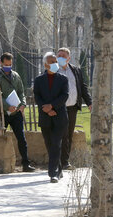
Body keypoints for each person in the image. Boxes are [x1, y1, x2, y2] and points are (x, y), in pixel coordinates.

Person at [0, 52, 35, 172]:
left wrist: (22, 104)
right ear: (1, 63)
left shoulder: (16, 75)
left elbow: (21, 92)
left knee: (21, 138)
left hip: (16, 113)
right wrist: (7, 106)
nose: (8, 67)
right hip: (3, 113)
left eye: (10, 64)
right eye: (6, 64)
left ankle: (26, 164)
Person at [33, 52, 69, 183]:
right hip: (45, 117)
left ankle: (53, 173)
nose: (54, 64)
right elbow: (37, 96)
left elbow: (64, 96)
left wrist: (52, 107)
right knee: (50, 144)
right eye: (51, 62)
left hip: (60, 117)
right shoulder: (38, 80)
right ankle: (58, 169)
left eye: (55, 61)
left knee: (56, 143)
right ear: (45, 64)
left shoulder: (63, 79)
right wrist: (46, 109)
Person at [57, 47, 92, 170]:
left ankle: (65, 162)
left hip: (72, 108)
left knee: (68, 135)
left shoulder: (75, 70)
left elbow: (82, 87)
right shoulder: (53, 70)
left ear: (69, 58)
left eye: (63, 56)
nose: (60, 58)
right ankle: (58, 161)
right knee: (60, 134)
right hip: (58, 109)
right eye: (59, 55)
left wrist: (89, 102)